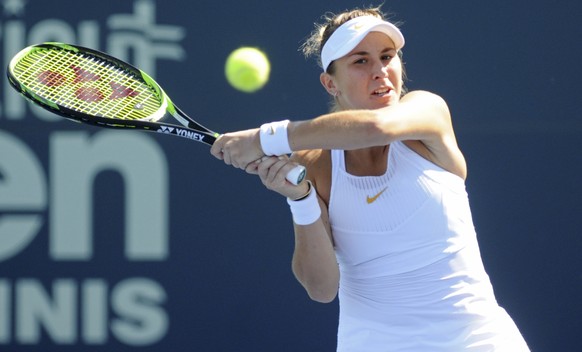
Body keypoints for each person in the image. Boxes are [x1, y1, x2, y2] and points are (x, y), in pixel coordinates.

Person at [210, 6, 530, 352]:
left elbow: (377, 128)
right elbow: (321, 289)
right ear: (330, 83)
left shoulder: (428, 112)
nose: (381, 72)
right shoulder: (314, 163)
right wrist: (301, 199)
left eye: (387, 56)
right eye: (360, 61)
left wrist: (263, 138)